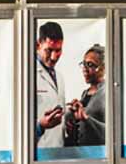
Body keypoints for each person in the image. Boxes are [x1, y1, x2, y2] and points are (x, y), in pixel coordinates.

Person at [65, 44, 106, 147]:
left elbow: (113, 132)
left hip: (99, 153)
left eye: (90, 64)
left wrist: (87, 119)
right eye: (84, 64)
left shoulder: (107, 93)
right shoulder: (85, 93)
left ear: (104, 67)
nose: (84, 69)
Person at [34, 21, 67, 152]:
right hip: (36, 152)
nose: (53, 57)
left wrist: (70, 114)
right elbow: (14, 123)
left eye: (58, 50)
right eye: (49, 50)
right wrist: (40, 126)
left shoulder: (59, 77)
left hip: (58, 150)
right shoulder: (26, 75)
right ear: (38, 45)